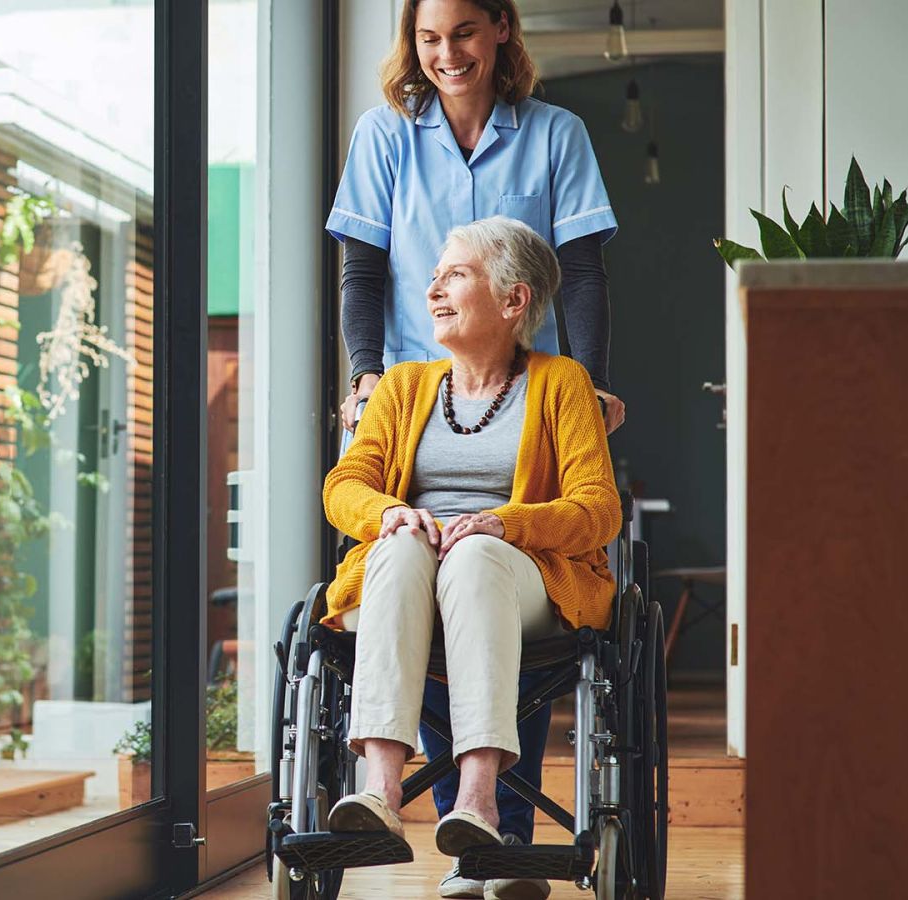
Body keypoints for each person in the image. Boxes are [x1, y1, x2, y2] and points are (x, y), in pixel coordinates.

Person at [326, 2, 622, 896]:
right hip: (421, 384)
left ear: (500, 30)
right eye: (427, 36)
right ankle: (388, 794)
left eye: (462, 31)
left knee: (483, 560)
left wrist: (588, 383)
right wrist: (370, 375)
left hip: (517, 481)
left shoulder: (555, 135)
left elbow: (589, 272)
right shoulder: (386, 136)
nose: (445, 52)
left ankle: (492, 827)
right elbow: (363, 271)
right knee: (405, 555)